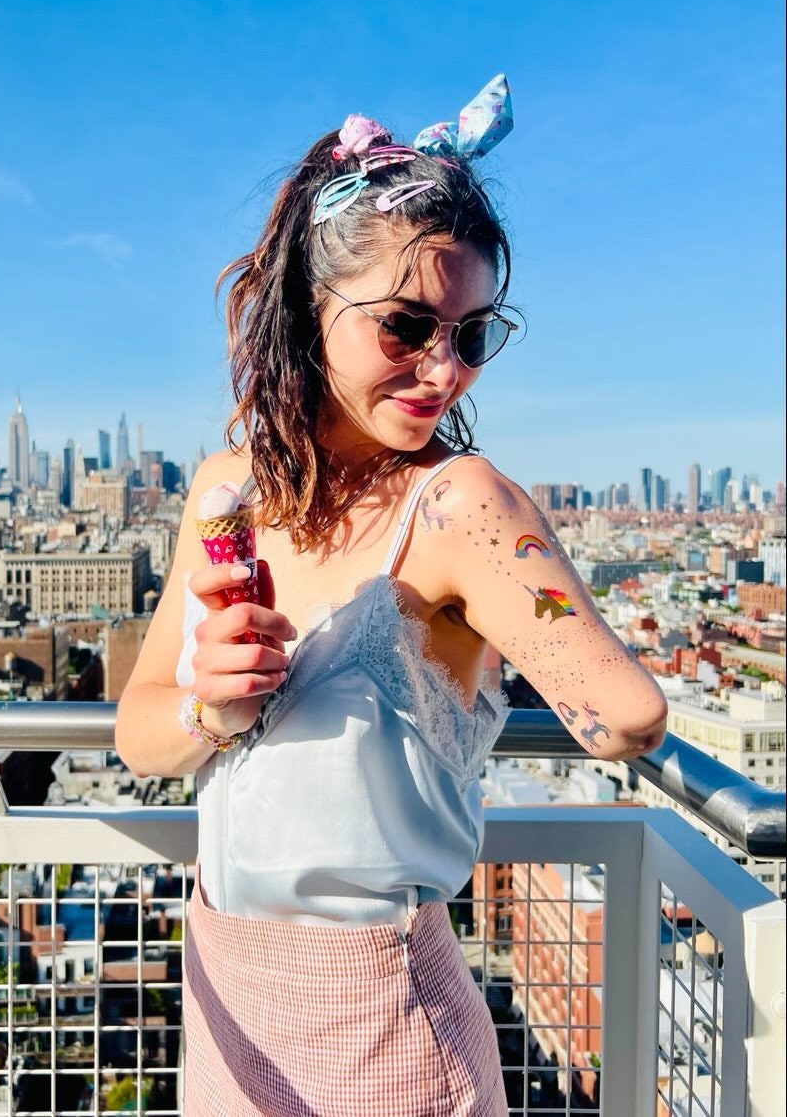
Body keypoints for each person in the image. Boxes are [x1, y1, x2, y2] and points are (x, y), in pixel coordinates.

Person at [115, 75, 668, 1117]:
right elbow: (143, 735)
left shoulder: (457, 506)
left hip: (386, 1024)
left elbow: (627, 712)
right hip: (225, 996)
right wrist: (210, 705)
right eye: (408, 325)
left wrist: (518, 554)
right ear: (308, 308)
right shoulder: (224, 492)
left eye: (471, 334)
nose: (445, 370)